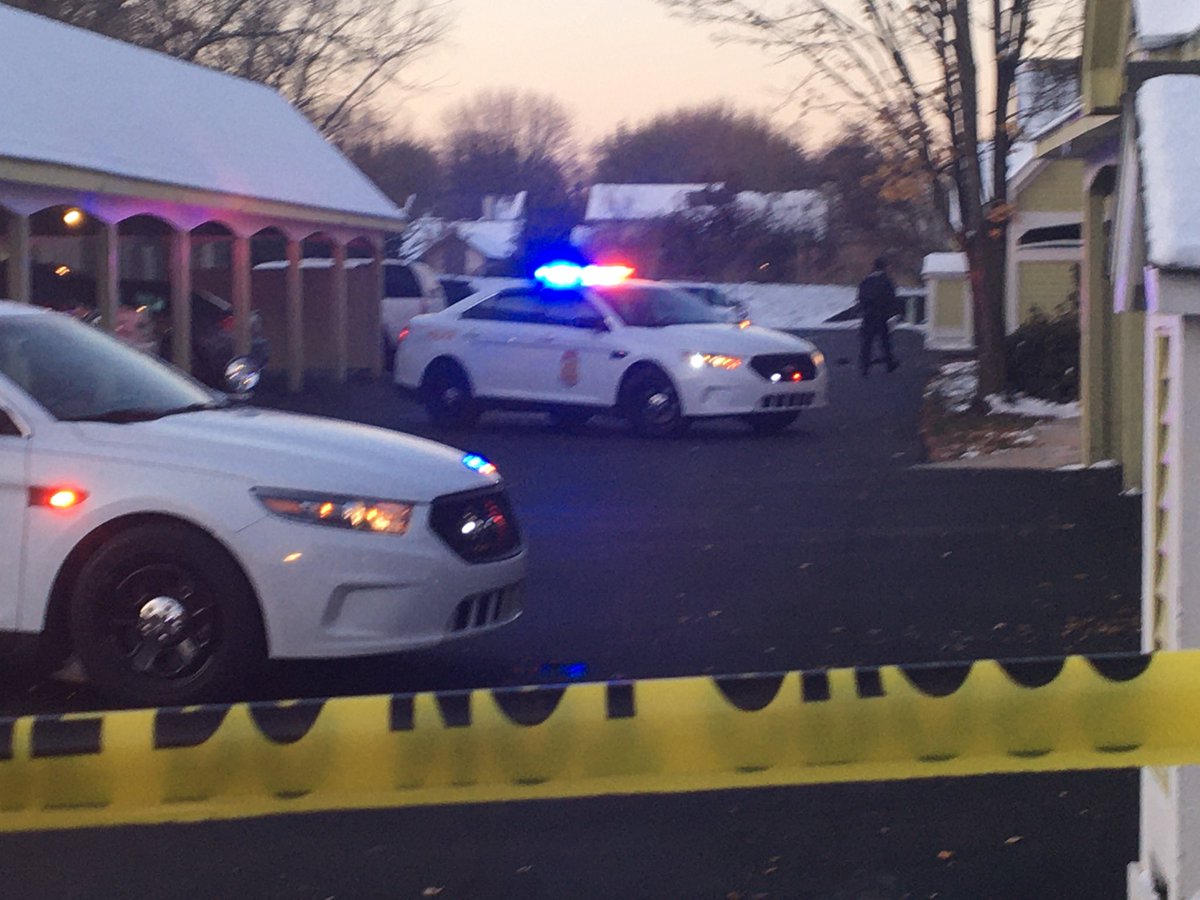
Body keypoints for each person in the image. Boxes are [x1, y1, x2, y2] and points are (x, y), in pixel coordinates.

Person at [858, 256, 900, 376]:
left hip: (868, 315)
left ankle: (864, 366)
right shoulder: (886, 281)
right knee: (885, 341)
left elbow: (861, 298)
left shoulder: (865, 281)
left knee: (867, 342)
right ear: (884, 267)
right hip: (882, 315)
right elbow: (891, 298)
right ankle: (889, 363)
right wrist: (892, 312)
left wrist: (865, 309)